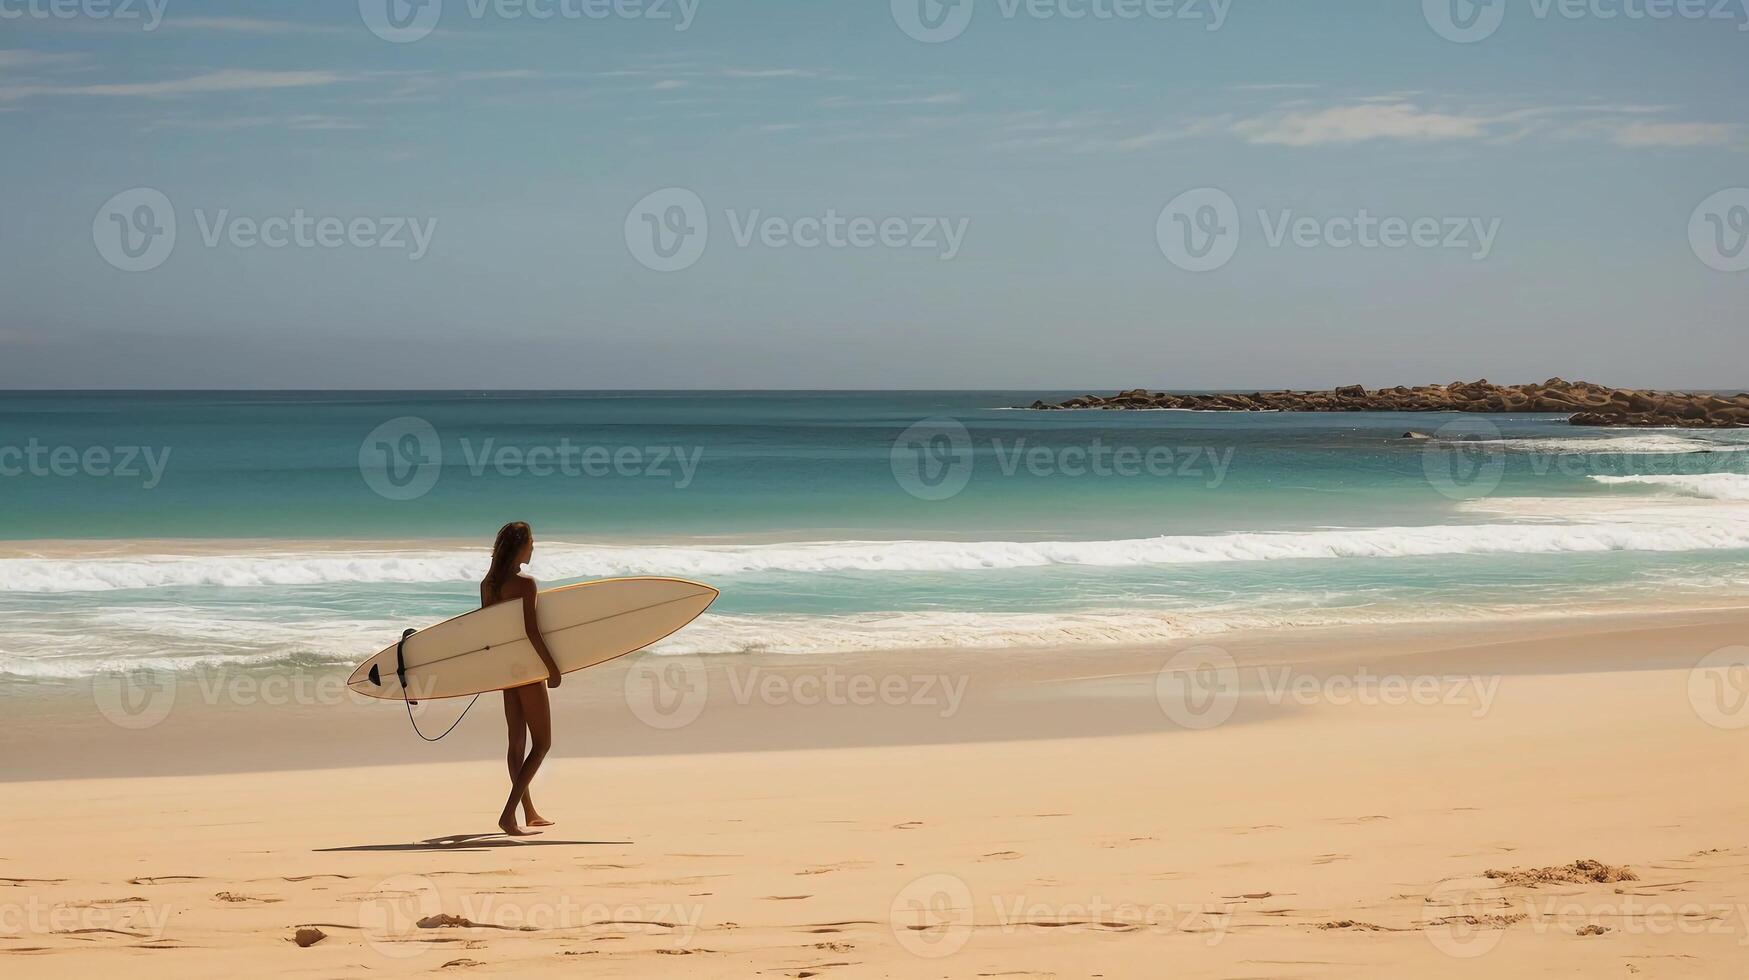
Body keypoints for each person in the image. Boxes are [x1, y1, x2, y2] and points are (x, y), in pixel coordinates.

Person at [480, 521, 564, 836]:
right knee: (542, 743)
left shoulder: (488, 585)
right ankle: (508, 814)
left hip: (506, 668)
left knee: (516, 743)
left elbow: (488, 634)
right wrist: (551, 668)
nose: (533, 547)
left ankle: (528, 811)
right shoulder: (525, 585)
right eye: (531, 542)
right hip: (528, 668)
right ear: (519, 546)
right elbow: (531, 632)